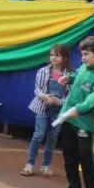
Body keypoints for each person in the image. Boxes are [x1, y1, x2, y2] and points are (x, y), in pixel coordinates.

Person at [55, 36, 94, 188]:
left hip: (84, 123)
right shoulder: (84, 66)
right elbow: (77, 76)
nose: (82, 58)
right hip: (68, 118)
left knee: (85, 156)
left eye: (86, 54)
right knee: (69, 155)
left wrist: (78, 110)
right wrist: (68, 79)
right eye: (82, 54)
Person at [22, 44, 72, 177]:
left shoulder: (70, 76)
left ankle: (45, 166)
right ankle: (30, 164)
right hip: (43, 108)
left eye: (57, 55)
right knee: (38, 135)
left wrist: (61, 102)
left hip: (59, 111)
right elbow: (37, 89)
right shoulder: (43, 71)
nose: (53, 58)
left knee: (52, 138)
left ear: (65, 58)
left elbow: (71, 95)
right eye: (51, 55)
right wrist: (45, 97)